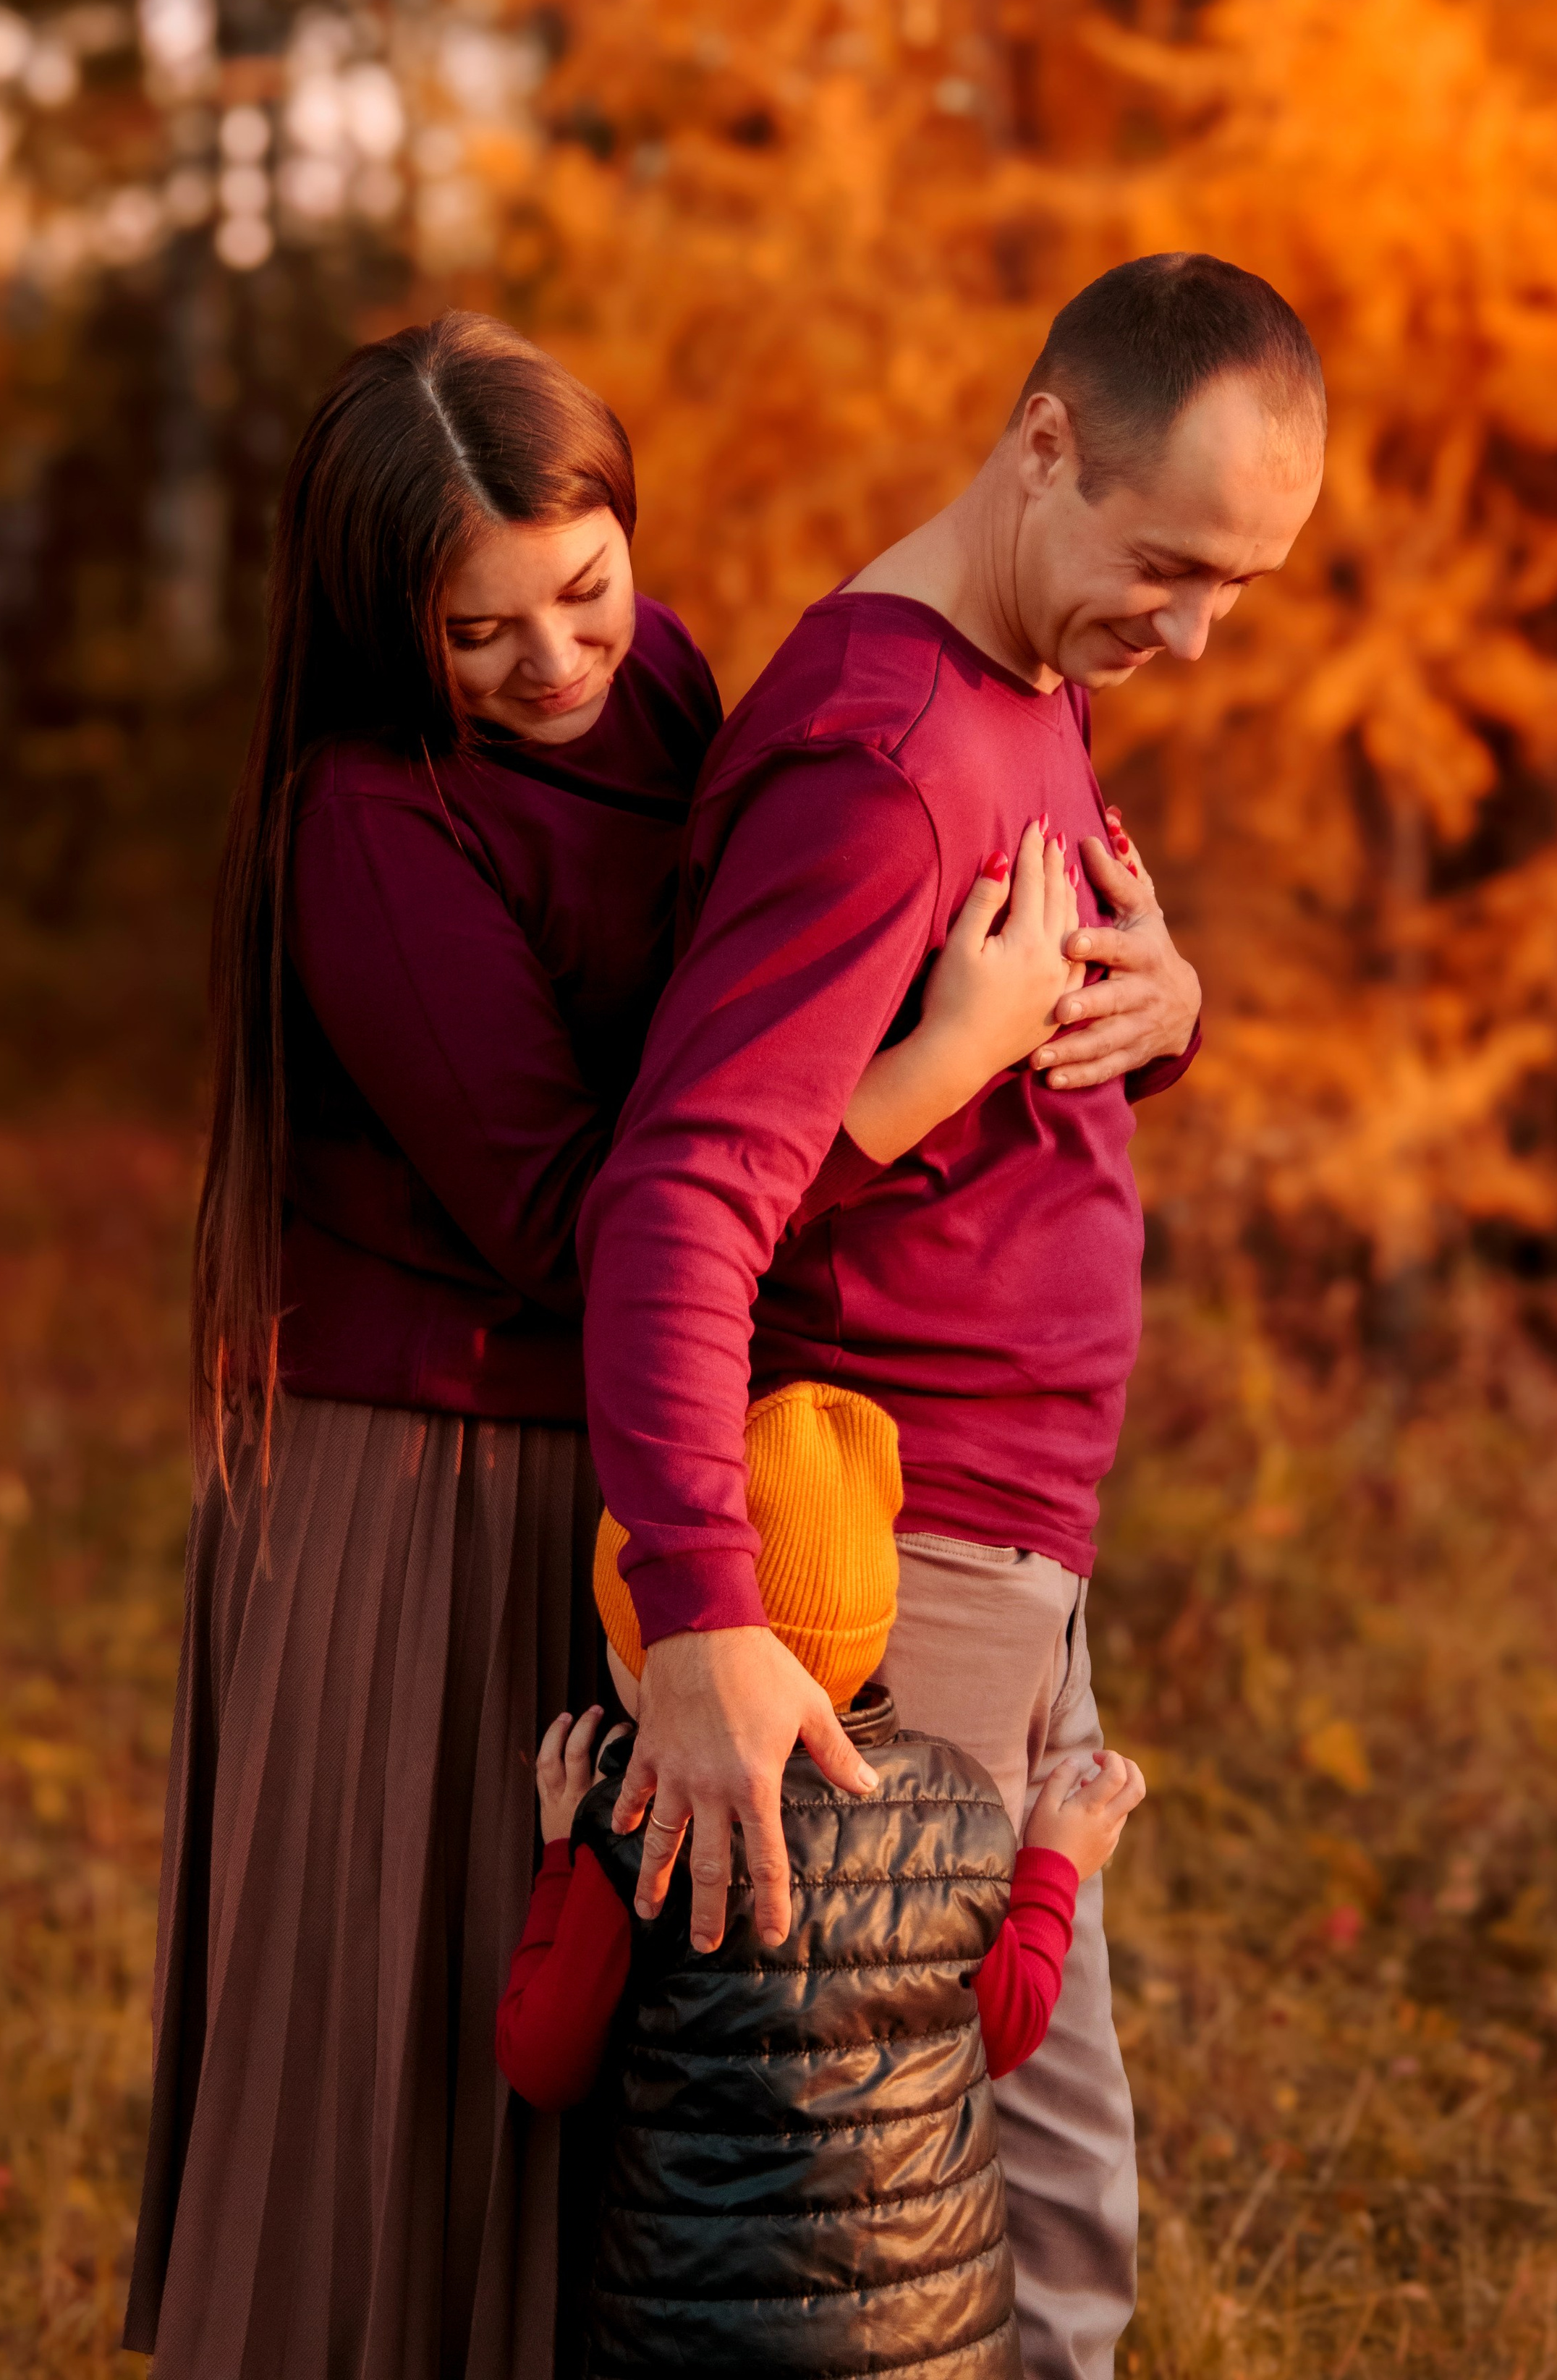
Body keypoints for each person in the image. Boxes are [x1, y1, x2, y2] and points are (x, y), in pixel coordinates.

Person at [124, 311, 1103, 2378]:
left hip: (625, 1445)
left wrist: (1127, 1006)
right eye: (481, 637)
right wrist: (934, 1077)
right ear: (389, 631)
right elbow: (600, 1213)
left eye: (583, 589)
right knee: (416, 2056)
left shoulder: (664, 679)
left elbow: (761, 1023)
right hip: (428, 1475)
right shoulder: (375, 828)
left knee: (619, 2064)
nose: (559, 665)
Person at [577, 252, 1328, 2377]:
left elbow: (973, 1058)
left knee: (1044, 2199)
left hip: (1009, 1549)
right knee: (917, 2234)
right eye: (1170, 564)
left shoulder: (1028, 672)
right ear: (1042, 443)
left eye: (1243, 589)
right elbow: (681, 1195)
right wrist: (708, 1608)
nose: (1193, 635)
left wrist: (1161, 1021)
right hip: (888, 1567)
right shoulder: (879, 761)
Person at [494, 1382, 1145, 2379]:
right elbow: (1003, 2030)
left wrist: (558, 1848)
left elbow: (543, 2059)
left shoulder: (640, 1827)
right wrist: (1052, 1865)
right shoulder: (960, 1809)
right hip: (928, 2349)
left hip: (693, 2343)